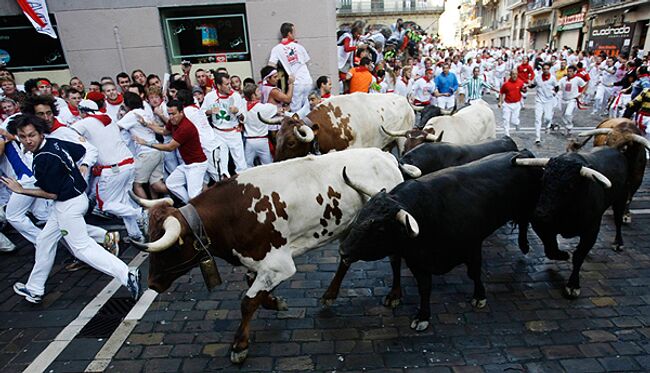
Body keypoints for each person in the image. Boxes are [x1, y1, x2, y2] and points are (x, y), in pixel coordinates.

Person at [4, 115, 140, 304]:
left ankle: (127, 274)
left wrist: (20, 190)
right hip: (74, 199)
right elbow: (79, 151)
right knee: (44, 240)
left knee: (82, 248)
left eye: (32, 135)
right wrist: (70, 172)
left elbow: (51, 194)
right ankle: (34, 288)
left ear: (40, 133)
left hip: (67, 205)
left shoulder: (42, 159)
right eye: (23, 136)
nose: (28, 140)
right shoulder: (53, 142)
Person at [71, 99, 145, 242]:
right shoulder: (109, 117)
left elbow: (67, 134)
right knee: (123, 203)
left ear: (83, 111)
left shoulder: (84, 122)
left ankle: (141, 214)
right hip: (128, 164)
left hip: (112, 170)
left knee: (104, 205)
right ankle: (136, 235)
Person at [135, 100, 207, 202]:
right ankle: (188, 204)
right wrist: (146, 125)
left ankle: (194, 207)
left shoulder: (185, 128)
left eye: (173, 114)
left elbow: (169, 147)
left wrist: (146, 143)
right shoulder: (173, 122)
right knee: (171, 183)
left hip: (197, 165)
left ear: (181, 112)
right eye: (169, 114)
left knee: (194, 196)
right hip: (187, 164)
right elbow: (163, 132)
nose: (171, 117)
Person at [115, 92, 166, 198]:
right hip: (156, 150)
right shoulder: (144, 112)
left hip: (146, 153)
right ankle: (179, 193)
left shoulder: (132, 114)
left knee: (136, 184)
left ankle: (147, 211)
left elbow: (115, 128)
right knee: (156, 184)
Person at [201, 73, 247, 173]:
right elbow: (201, 114)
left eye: (229, 83)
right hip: (218, 133)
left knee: (241, 163)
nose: (230, 86)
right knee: (221, 163)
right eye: (226, 84)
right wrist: (210, 111)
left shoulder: (236, 96)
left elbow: (244, 118)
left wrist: (237, 112)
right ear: (218, 86)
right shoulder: (210, 97)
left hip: (234, 132)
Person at [268, 22, 313, 111]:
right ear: (289, 33)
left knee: (296, 109)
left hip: (296, 83)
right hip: (307, 81)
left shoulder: (276, 49)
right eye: (294, 32)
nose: (295, 34)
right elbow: (306, 61)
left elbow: (270, 66)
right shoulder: (299, 47)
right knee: (307, 108)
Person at [242, 83, 275, 167]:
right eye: (258, 91)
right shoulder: (263, 107)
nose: (260, 92)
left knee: (247, 165)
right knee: (268, 165)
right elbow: (275, 108)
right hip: (262, 140)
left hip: (249, 141)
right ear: (253, 95)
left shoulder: (243, 106)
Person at [529, 62, 558, 144]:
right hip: (539, 100)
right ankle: (537, 137)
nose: (545, 71)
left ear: (549, 69)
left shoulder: (552, 78)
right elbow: (533, 85)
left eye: (547, 69)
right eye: (544, 69)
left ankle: (547, 125)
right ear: (542, 69)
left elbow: (557, 87)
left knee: (548, 118)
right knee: (538, 119)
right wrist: (528, 85)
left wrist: (554, 93)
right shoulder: (537, 78)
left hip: (549, 101)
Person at [557, 65, 587, 136]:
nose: (569, 73)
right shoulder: (563, 79)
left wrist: (581, 93)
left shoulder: (577, 79)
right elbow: (558, 86)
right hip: (564, 99)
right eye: (568, 71)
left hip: (572, 100)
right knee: (563, 115)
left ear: (574, 72)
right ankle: (567, 127)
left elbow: (585, 85)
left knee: (568, 113)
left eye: (571, 71)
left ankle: (569, 126)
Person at [499, 69, 526, 137]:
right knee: (506, 119)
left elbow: (524, 91)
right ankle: (506, 134)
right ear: (510, 75)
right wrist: (500, 101)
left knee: (514, 120)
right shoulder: (506, 84)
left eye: (516, 74)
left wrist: (524, 90)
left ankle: (517, 123)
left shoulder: (520, 82)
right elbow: (501, 92)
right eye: (513, 74)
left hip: (516, 104)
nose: (514, 75)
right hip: (507, 104)